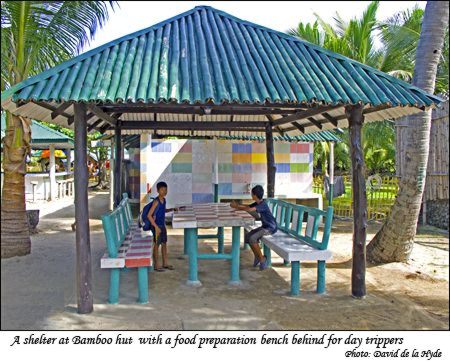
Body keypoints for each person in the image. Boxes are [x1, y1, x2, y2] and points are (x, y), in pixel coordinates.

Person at [230, 185, 277, 270]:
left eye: (252, 194)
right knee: (248, 236)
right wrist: (237, 206)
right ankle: (257, 256)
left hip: (270, 228)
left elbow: (249, 210)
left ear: (255, 195)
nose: (251, 195)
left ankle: (262, 259)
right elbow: (248, 207)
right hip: (265, 226)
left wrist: (236, 207)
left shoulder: (263, 204)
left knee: (252, 238)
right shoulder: (258, 203)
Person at [147, 181, 178, 272]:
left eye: (165, 190)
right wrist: (156, 227)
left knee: (164, 244)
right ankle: (156, 265)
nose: (164, 192)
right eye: (162, 190)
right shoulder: (156, 202)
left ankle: (165, 263)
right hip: (156, 226)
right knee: (156, 245)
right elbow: (149, 215)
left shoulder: (164, 200)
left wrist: (172, 209)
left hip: (162, 225)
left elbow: (163, 210)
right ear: (157, 190)